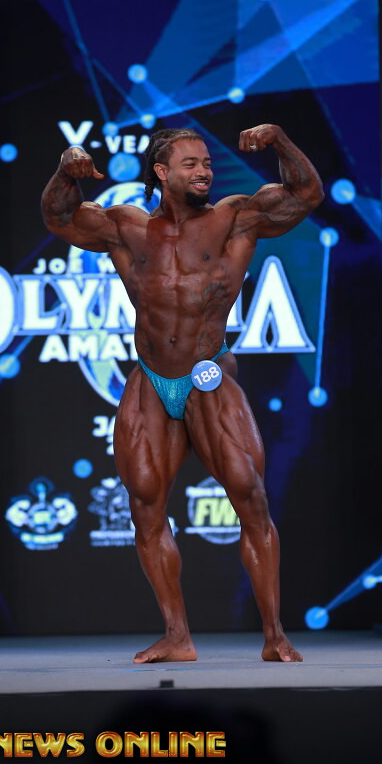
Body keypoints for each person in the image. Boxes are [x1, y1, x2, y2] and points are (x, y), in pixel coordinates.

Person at [41, 123, 324, 663]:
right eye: (191, 164)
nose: (204, 172)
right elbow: (59, 217)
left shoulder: (235, 218)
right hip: (151, 378)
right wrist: (65, 170)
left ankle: (274, 635)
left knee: (250, 497)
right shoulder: (125, 227)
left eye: (207, 164)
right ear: (161, 172)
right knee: (145, 505)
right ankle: (177, 636)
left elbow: (306, 195)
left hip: (207, 376)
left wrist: (281, 140)